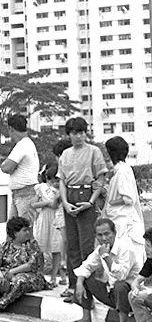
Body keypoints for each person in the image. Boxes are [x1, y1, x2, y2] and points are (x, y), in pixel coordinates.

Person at [65, 218, 142, 322]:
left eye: (107, 234)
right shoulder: (100, 249)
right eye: (100, 235)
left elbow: (121, 275)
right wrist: (79, 283)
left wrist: (106, 256)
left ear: (114, 233)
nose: (104, 238)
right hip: (111, 293)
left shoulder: (126, 248)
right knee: (85, 277)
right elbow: (86, 266)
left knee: (120, 285)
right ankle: (86, 320)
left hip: (130, 296)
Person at [58, 116, 108, 301]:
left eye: (81, 132)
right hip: (69, 197)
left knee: (86, 245)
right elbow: (62, 181)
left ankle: (89, 289)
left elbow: (101, 178)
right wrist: (64, 202)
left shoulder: (94, 151)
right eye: (74, 133)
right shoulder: (65, 154)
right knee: (72, 245)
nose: (78, 136)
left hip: (86, 195)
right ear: (69, 135)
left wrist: (91, 201)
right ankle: (73, 287)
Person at [0, 216, 46, 314]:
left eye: (28, 230)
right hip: (8, 275)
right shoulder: (6, 245)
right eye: (24, 230)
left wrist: (11, 272)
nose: (28, 232)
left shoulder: (32, 245)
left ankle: (0, 305)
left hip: (31, 276)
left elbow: (30, 265)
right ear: (15, 233)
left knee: (19, 281)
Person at [103, 136, 146, 262]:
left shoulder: (122, 171)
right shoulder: (121, 170)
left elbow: (128, 199)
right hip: (120, 218)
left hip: (123, 220)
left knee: (124, 255)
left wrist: (112, 201)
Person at [1, 114, 40, 222]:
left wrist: (6, 165)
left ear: (11, 129)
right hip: (20, 193)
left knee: (24, 230)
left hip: (25, 194)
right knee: (13, 232)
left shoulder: (23, 145)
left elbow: (6, 168)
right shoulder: (26, 144)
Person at [32, 165, 65, 288]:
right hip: (44, 218)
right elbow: (34, 204)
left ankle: (54, 277)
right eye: (52, 180)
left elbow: (57, 205)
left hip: (57, 219)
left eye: (57, 180)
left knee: (56, 249)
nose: (54, 183)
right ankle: (39, 275)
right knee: (41, 247)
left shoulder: (62, 190)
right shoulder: (41, 188)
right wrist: (46, 203)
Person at [129, 227, 152, 322]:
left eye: (148, 246)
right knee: (133, 296)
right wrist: (135, 290)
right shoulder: (150, 261)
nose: (146, 249)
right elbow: (136, 281)